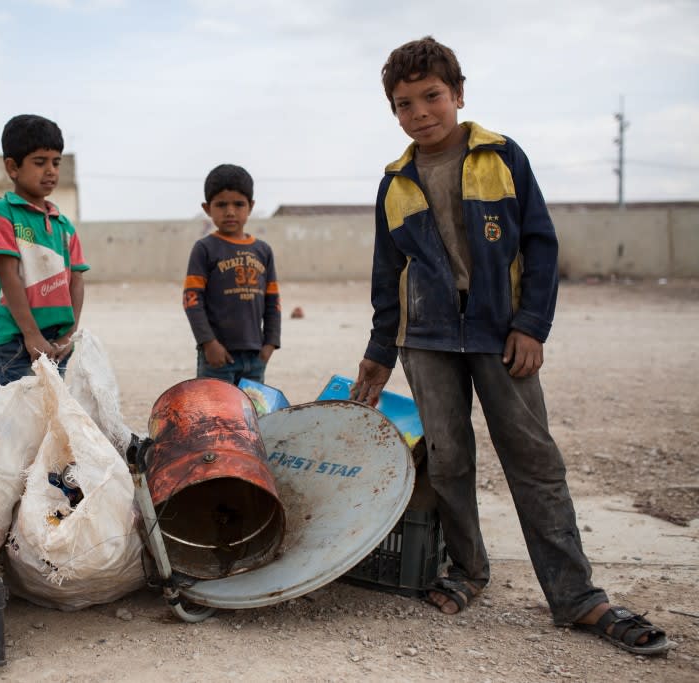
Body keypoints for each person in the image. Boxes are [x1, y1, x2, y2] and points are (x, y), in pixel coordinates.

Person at [352, 36, 670, 655]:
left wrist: (532, 325)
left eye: (431, 96)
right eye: (404, 104)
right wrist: (379, 350)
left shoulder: (501, 157)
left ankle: (576, 596)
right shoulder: (394, 184)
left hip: (501, 336)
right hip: (427, 341)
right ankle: (468, 570)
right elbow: (387, 276)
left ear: (458, 94)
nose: (420, 112)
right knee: (448, 460)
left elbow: (541, 244)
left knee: (533, 459)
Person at [0, 114, 89, 385]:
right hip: (16, 341)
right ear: (13, 167)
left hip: (56, 342)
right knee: (23, 410)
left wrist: (69, 335)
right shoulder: (4, 213)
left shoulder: (63, 225)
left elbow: (76, 280)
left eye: (56, 162)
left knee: (50, 408)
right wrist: (31, 335)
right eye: (40, 162)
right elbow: (9, 276)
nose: (50, 170)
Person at [183, 164, 281, 384]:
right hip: (217, 357)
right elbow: (191, 300)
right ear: (207, 208)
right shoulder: (204, 249)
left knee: (251, 405)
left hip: (255, 355)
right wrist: (208, 343)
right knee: (216, 405)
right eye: (221, 205)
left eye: (238, 204)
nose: (230, 212)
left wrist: (270, 343)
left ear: (251, 206)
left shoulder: (263, 251)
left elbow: (273, 302)